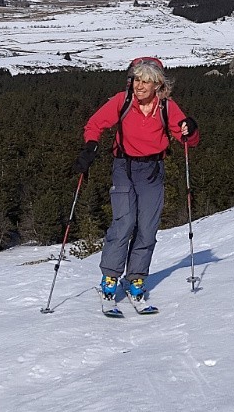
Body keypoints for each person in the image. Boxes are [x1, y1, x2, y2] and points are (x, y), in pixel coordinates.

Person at [73, 57, 199, 304]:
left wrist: (190, 129)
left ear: (158, 86)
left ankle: (136, 278)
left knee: (147, 227)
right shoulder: (123, 101)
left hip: (152, 170)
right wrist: (90, 145)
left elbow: (186, 139)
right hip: (124, 167)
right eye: (137, 80)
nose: (140, 86)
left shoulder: (166, 107)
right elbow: (95, 124)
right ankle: (110, 277)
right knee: (124, 222)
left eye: (147, 81)